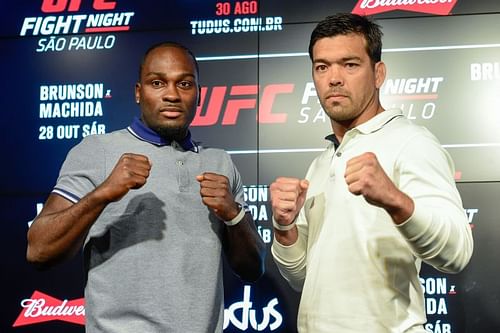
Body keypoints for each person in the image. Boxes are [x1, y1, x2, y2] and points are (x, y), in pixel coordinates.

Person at [26, 41, 266, 332]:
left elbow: (253, 269)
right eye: (157, 83)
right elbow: (39, 250)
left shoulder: (220, 163)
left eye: (185, 84)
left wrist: (233, 214)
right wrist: (102, 194)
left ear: (199, 95)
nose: (172, 95)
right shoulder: (97, 150)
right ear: (138, 92)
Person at [270, 13, 473, 332]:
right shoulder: (322, 162)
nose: (334, 78)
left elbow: (457, 253)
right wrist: (285, 229)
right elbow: (302, 278)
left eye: (349, 64)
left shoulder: (412, 142)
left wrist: (395, 200)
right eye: (322, 66)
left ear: (378, 73)